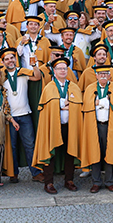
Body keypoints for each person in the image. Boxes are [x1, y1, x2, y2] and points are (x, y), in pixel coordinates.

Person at [33, 58, 83, 193]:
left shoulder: (73, 86)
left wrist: (69, 106)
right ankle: (48, 182)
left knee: (70, 152)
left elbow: (78, 105)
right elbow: (46, 107)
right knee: (51, 152)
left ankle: (69, 180)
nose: (62, 71)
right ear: (54, 71)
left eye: (65, 68)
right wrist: (62, 104)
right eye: (60, 68)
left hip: (70, 126)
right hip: (53, 125)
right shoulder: (49, 88)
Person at [80, 63, 113, 192]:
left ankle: (109, 181)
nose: (103, 76)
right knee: (95, 153)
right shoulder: (90, 88)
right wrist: (104, 102)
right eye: (101, 74)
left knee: (109, 153)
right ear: (96, 76)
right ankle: (96, 182)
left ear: (110, 76)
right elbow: (87, 105)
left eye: (106, 74)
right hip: (94, 125)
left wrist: (99, 103)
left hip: (110, 125)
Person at [0, 47, 43, 182]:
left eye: (12, 57)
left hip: (25, 114)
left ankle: (35, 172)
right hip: (9, 117)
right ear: (3, 62)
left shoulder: (23, 72)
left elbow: (37, 77)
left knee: (29, 144)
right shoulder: (1, 76)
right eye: (7, 59)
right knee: (11, 146)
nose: (10, 60)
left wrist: (34, 65)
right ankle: (13, 173)